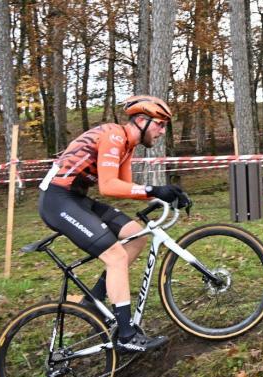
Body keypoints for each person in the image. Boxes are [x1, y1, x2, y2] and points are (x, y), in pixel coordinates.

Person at [38, 95, 190, 352]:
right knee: (116, 256)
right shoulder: (114, 136)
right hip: (58, 200)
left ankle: (93, 300)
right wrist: (154, 189)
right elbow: (108, 186)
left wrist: (163, 193)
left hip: (76, 198)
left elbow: (125, 186)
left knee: (136, 235)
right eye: (160, 125)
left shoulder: (128, 145)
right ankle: (126, 336)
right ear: (141, 121)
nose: (162, 132)